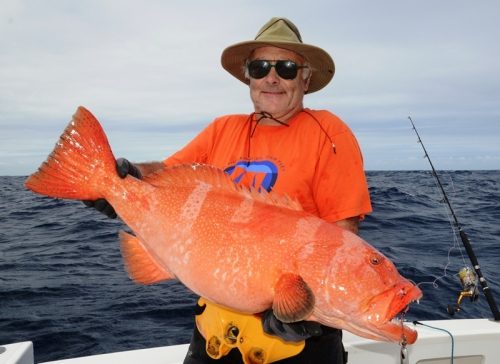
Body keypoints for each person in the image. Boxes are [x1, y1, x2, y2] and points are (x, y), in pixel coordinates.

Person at [85, 17, 372, 364]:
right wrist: (128, 174)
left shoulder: (329, 132)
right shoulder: (223, 129)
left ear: (306, 78)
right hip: (214, 336)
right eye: (260, 66)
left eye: (286, 68)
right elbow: (165, 174)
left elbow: (342, 246)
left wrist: (304, 312)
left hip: (297, 343)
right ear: (248, 76)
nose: (272, 77)